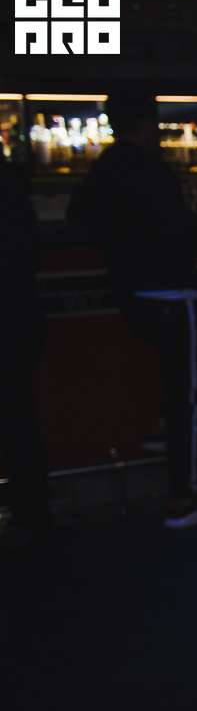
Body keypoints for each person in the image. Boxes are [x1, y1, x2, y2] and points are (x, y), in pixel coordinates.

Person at [67, 90, 197, 529]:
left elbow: (76, 216)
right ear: (146, 123)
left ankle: (163, 433)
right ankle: (184, 500)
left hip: (134, 296)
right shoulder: (151, 171)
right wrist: (188, 213)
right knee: (189, 396)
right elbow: (182, 233)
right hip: (171, 294)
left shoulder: (106, 167)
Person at [0, 161, 51, 551]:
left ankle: (30, 516)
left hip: (10, 321)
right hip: (16, 318)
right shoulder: (10, 189)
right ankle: (30, 516)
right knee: (17, 420)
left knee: (16, 421)